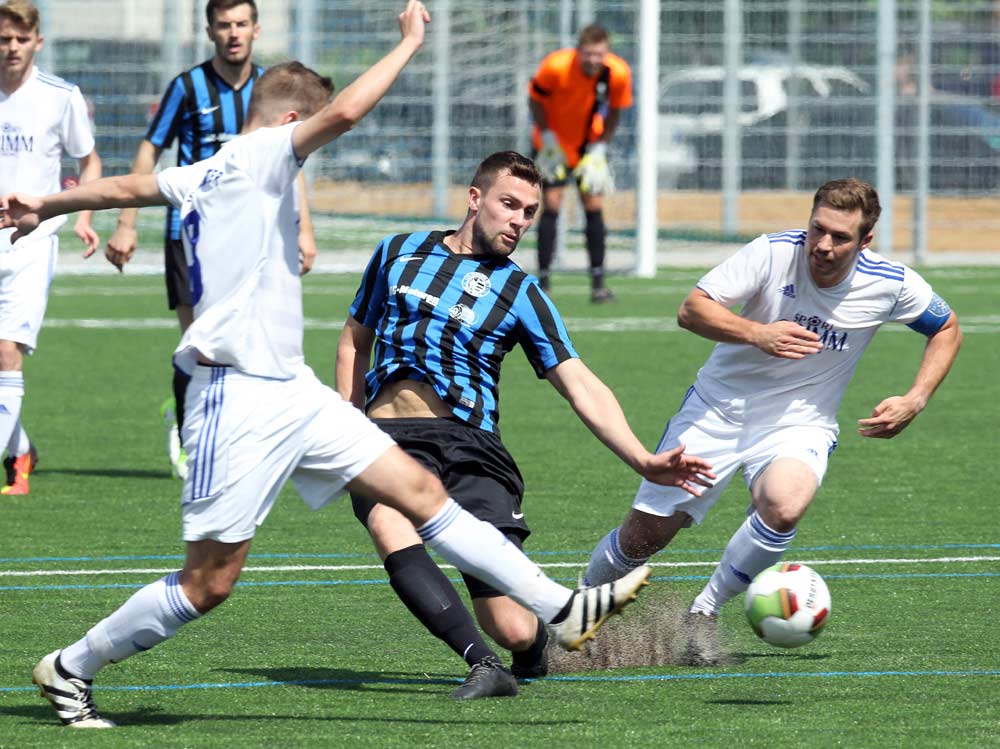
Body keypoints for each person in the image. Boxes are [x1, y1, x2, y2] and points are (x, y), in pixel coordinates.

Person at [2, 3, 655, 729]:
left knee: (416, 488)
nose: (311, 151)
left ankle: (560, 608)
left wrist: (45, 202)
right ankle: (71, 666)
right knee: (209, 582)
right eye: (304, 137)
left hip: (292, 388)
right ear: (288, 126)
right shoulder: (261, 154)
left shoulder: (215, 166)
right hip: (236, 394)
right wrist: (409, 41)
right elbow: (344, 111)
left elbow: (127, 188)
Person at [337, 151, 714, 699]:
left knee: (511, 625)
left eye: (530, 212)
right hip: (390, 441)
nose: (519, 220)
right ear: (475, 198)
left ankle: (546, 650)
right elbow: (354, 338)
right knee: (389, 524)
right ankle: (482, 666)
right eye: (509, 204)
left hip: (471, 447)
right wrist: (349, 424)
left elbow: (578, 381)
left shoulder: (520, 291)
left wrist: (643, 458)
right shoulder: (398, 252)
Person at [583, 178, 963, 664]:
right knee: (645, 537)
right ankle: (579, 613)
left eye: (840, 237)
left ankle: (702, 613)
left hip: (800, 423)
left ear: (865, 241)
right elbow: (691, 309)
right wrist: (757, 334)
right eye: (817, 229)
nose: (823, 246)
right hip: (717, 410)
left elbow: (946, 327)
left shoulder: (891, 284)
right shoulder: (771, 253)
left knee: (785, 505)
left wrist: (916, 398)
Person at [105, 0, 317, 481]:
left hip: (257, 236)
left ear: (256, 29)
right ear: (210, 31)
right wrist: (126, 222)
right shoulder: (187, 87)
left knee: (249, 341)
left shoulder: (271, 91)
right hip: (192, 234)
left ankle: (239, 437)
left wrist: (304, 227)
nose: (233, 33)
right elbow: (150, 149)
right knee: (199, 340)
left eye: (241, 24)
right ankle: (190, 432)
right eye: (224, 25)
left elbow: (290, 159)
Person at [0, 0, 101, 496]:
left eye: (21, 39)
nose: (12, 47)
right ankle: (18, 449)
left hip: (31, 242)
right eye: (4, 39)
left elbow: (89, 162)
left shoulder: (60, 97)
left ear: (37, 42)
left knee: (6, 350)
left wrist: (82, 216)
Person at [528, 23, 632, 302]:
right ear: (578, 51)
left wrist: (600, 147)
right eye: (588, 54)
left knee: (594, 207)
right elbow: (535, 99)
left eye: (599, 54)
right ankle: (543, 281)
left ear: (607, 53)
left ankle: (598, 283)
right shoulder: (556, 66)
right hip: (553, 147)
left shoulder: (617, 72)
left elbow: (616, 112)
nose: (593, 60)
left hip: (589, 147)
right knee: (550, 205)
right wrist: (547, 137)